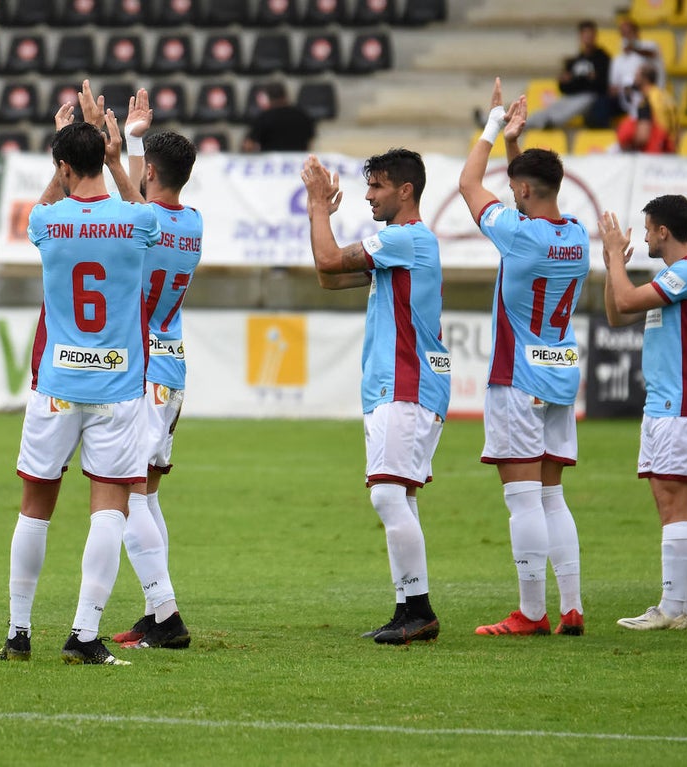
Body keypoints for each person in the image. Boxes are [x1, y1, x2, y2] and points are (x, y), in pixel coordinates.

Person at [0, 111, 161, 666]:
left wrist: (58, 167)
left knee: (34, 508)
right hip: (117, 387)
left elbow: (40, 211)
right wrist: (116, 158)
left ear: (64, 167)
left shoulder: (48, 223)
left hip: (57, 384)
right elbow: (144, 208)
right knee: (109, 511)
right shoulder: (135, 221)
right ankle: (83, 635)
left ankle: (18, 633)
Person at [300, 147, 450, 646]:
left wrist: (320, 206)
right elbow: (327, 276)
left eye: (378, 187)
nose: (368, 195)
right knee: (398, 494)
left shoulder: (405, 239)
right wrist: (315, 211)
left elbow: (326, 257)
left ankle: (419, 609)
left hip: (405, 383)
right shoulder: (401, 248)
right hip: (401, 383)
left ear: (405, 191)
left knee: (388, 494)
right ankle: (409, 608)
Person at [459, 78, 590, 638]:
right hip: (560, 373)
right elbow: (528, 195)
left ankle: (532, 614)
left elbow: (467, 183)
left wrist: (492, 126)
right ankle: (573, 606)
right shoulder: (576, 235)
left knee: (522, 498)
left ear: (525, 193)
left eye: (516, 190)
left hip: (517, 378)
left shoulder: (520, 235)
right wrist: (518, 146)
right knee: (553, 495)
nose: (509, 196)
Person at [95, 89, 200, 650]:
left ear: (152, 171)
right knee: (148, 495)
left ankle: (167, 614)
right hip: (174, 366)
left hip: (141, 370)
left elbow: (132, 202)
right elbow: (142, 198)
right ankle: (154, 612)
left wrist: (118, 152)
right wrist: (135, 141)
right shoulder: (193, 222)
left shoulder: (143, 223)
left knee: (130, 495)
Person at [599, 195, 687, 631]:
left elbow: (628, 301)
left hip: (682, 404)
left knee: (674, 500)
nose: (645, 235)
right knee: (664, 498)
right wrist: (611, 265)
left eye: (648, 229)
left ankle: (677, 609)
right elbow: (617, 313)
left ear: (664, 231)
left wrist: (616, 258)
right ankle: (676, 607)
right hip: (663, 405)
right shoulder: (671, 277)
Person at [525, 20, 612, 130]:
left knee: (580, 102)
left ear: (595, 35)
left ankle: (552, 122)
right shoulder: (576, 60)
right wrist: (567, 81)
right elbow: (565, 87)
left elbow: (601, 84)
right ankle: (524, 122)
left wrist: (578, 80)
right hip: (573, 95)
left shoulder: (603, 58)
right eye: (585, 34)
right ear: (580, 36)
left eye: (590, 34)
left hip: (592, 97)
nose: (588, 38)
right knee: (554, 106)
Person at [615, 64, 678, 154]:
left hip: (655, 152)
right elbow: (678, 128)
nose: (634, 79)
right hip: (670, 150)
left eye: (636, 76)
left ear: (644, 79)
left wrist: (627, 144)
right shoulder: (666, 97)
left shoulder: (646, 101)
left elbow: (644, 135)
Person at [242, 81, 316, 153]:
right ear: (285, 96)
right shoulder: (303, 115)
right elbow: (310, 141)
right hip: (298, 161)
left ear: (267, 98)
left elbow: (249, 145)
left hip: (270, 162)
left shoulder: (264, 117)